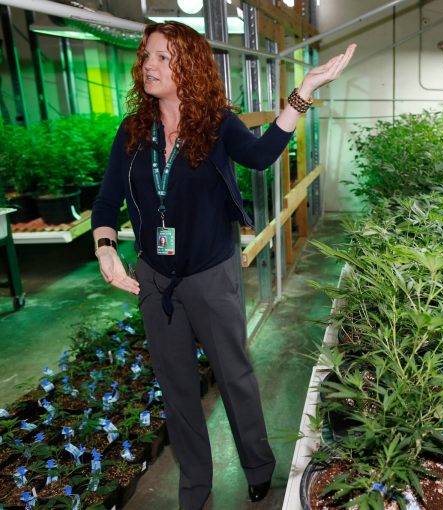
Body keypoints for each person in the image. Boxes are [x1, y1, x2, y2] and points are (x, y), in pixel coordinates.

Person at [91, 21, 354, 510]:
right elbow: (106, 203)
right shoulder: (131, 132)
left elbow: (260, 156)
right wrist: (106, 247)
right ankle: (195, 484)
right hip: (154, 278)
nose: (149, 65)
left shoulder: (216, 124)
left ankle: (257, 466)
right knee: (176, 386)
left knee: (233, 373)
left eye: (163, 58)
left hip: (211, 274)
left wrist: (303, 92)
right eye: (147, 56)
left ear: (188, 66)